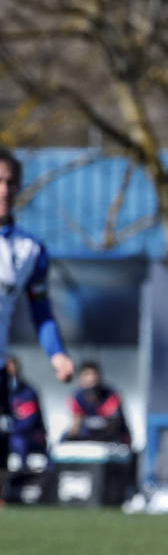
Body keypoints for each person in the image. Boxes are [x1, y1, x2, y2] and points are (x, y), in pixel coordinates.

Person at [0, 147, 74, 502]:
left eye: (10, 182)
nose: (3, 190)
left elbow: (40, 311)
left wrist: (57, 354)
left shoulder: (30, 250)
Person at [4, 354, 50, 502]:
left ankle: (19, 480)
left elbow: (27, 422)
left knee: (18, 440)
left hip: (28, 437)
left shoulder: (27, 392)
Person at [62, 360, 131, 445]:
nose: (91, 378)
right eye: (87, 375)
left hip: (111, 437)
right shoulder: (76, 398)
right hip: (87, 436)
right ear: (80, 379)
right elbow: (75, 427)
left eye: (94, 375)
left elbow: (113, 427)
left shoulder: (110, 397)